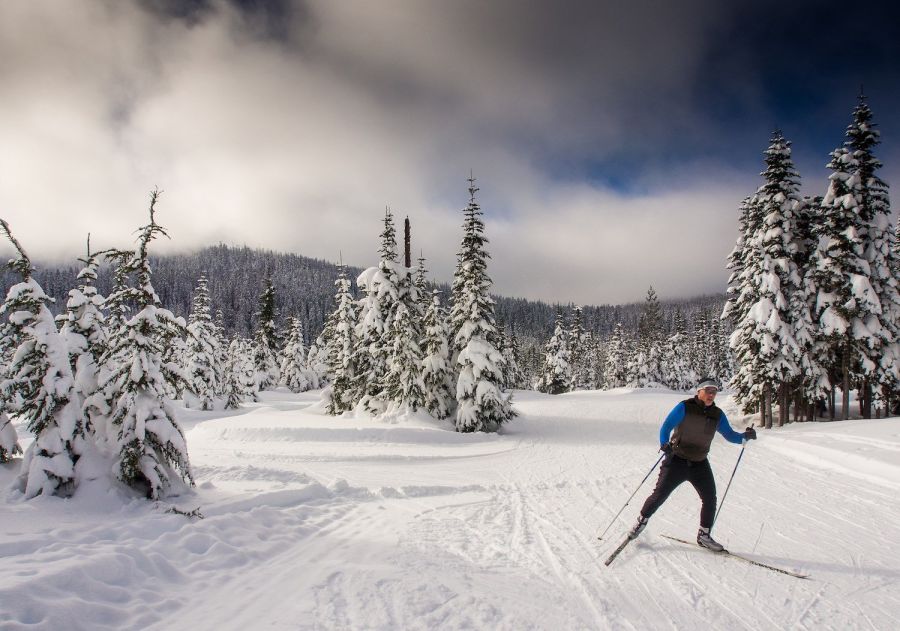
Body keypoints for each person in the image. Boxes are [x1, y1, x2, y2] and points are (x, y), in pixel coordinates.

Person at [628, 377, 757, 551]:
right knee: (659, 495)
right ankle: (640, 522)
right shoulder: (685, 407)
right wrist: (664, 443)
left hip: (699, 463)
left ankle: (704, 535)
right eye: (708, 391)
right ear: (699, 391)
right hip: (677, 460)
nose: (711, 395)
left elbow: (729, 435)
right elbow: (666, 426)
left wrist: (744, 436)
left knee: (710, 498)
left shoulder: (717, 414)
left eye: (714, 392)